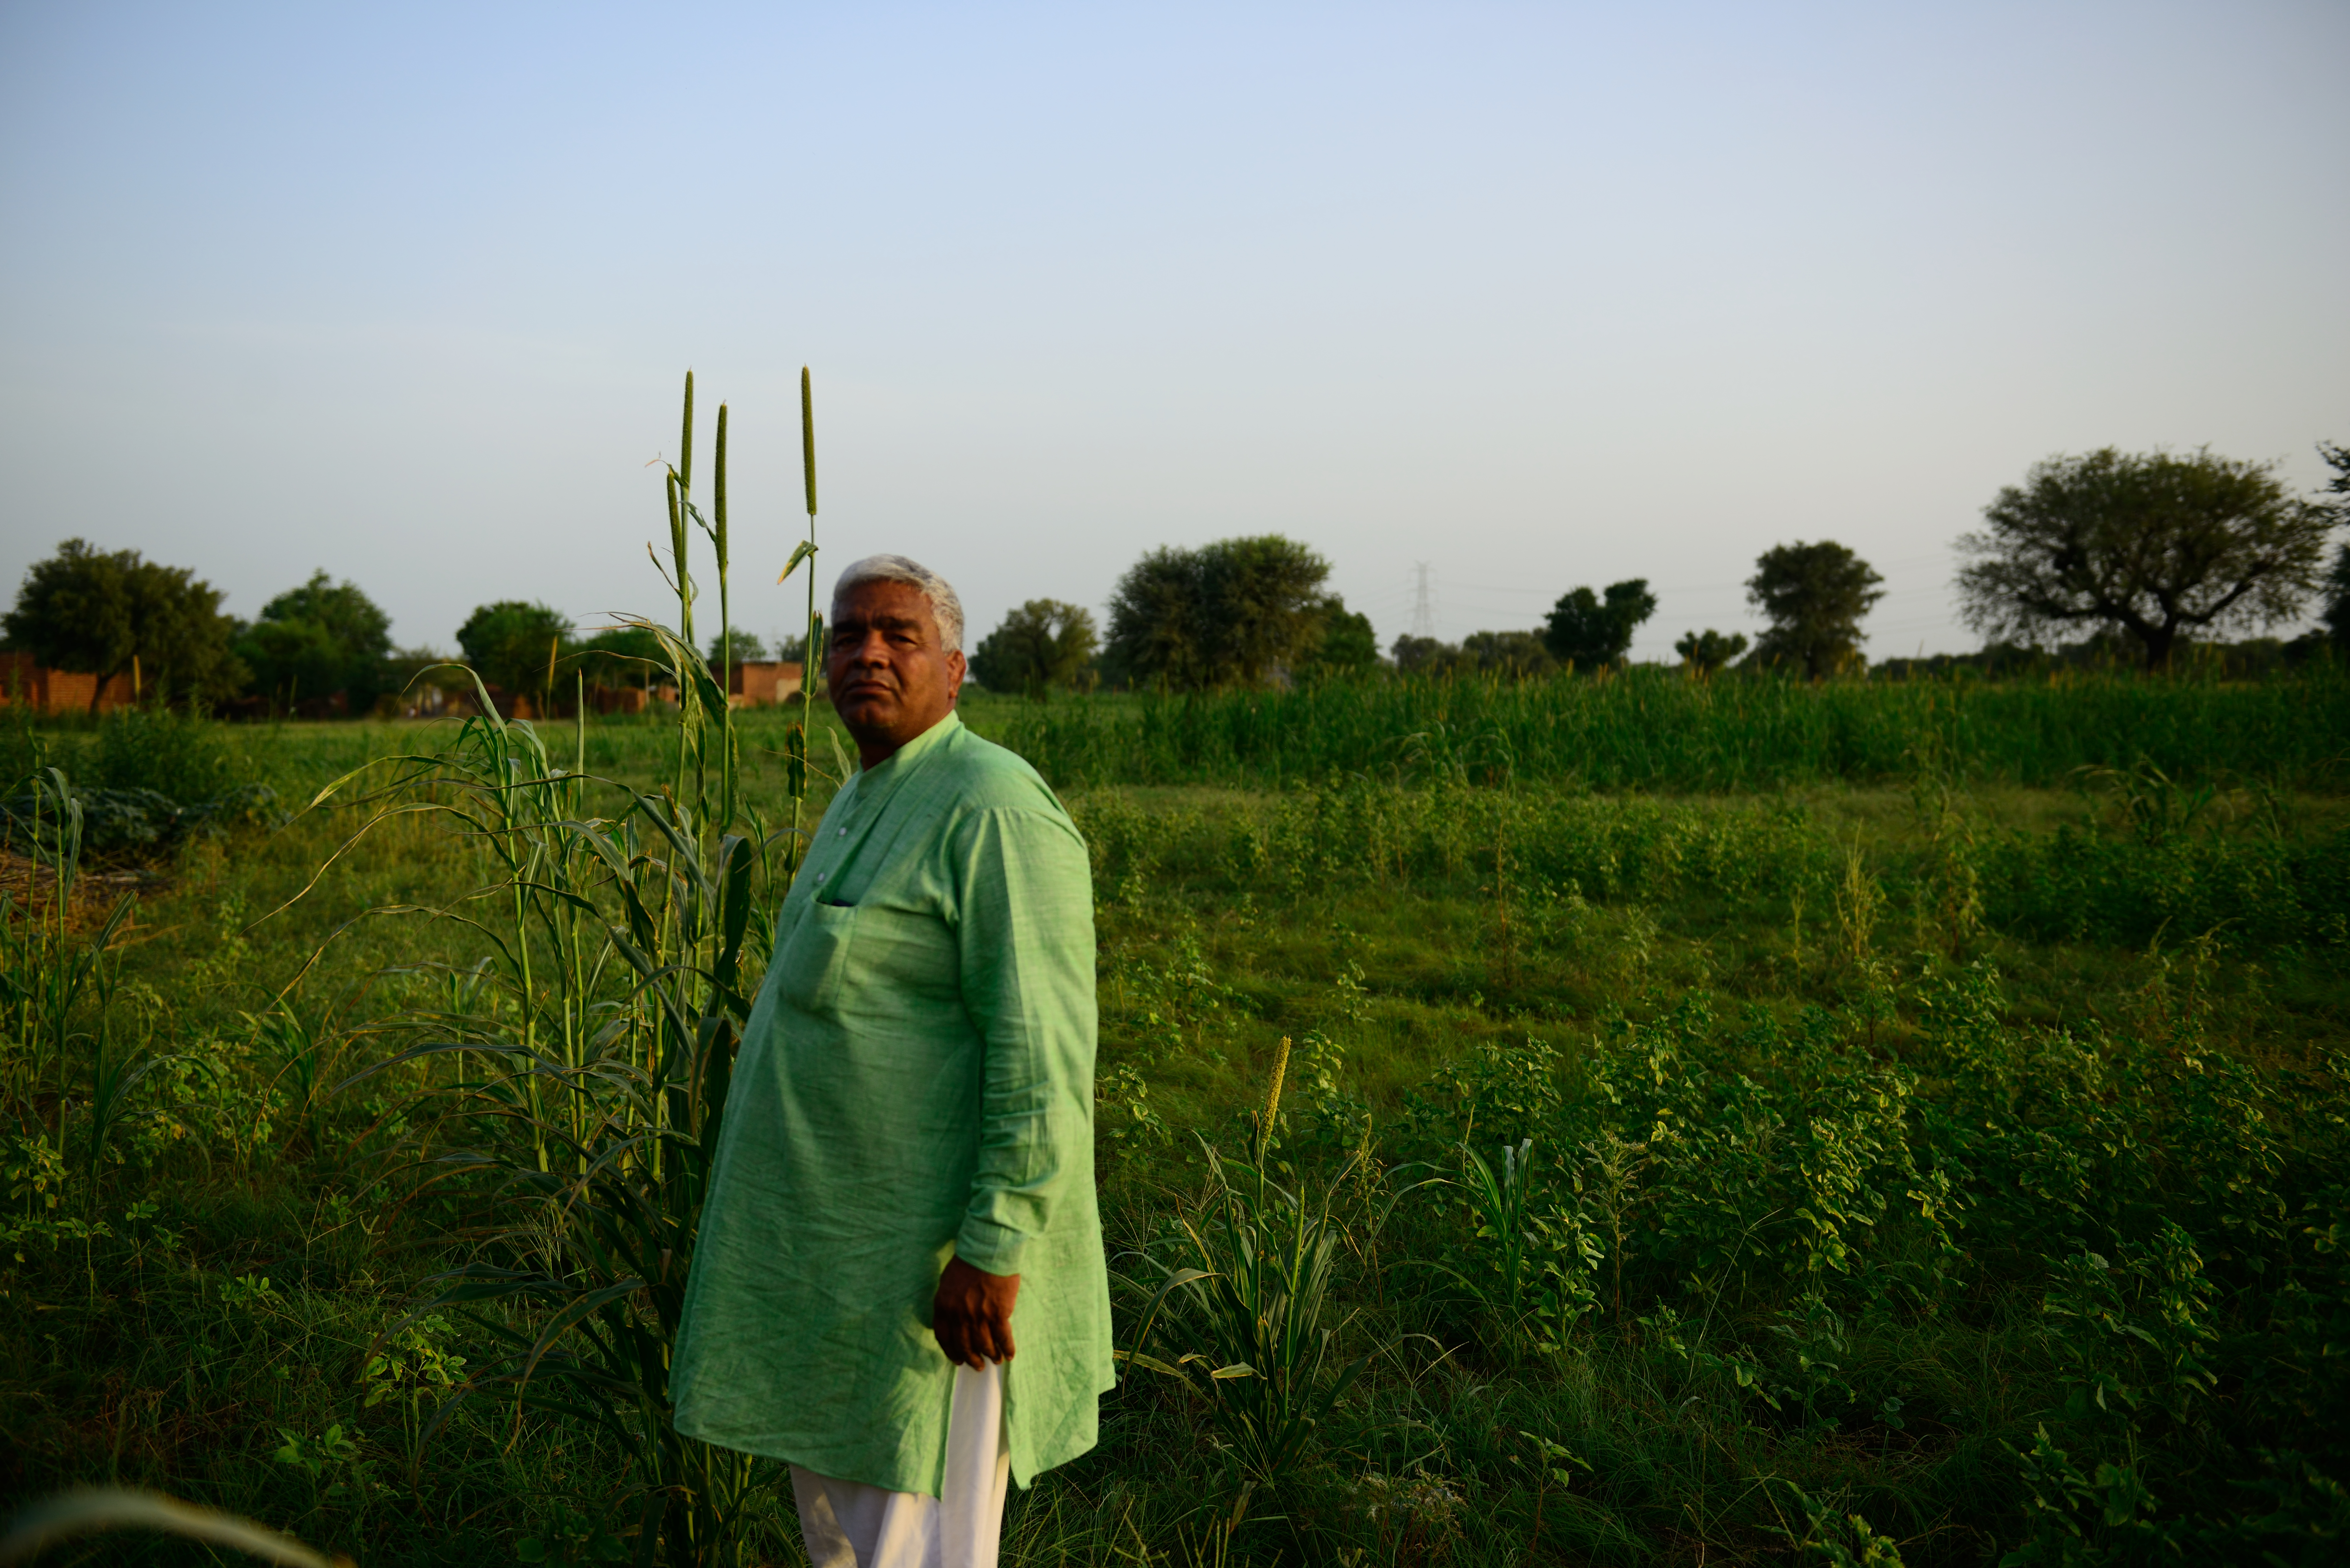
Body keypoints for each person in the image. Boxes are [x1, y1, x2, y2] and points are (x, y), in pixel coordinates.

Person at [671, 554, 1111, 1568]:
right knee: (850, 1545)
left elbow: (1043, 1049)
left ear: (954, 671)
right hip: (838, 1267)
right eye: (847, 633)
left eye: (898, 635)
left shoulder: (991, 805)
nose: (867, 651)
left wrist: (994, 1247)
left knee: (919, 1547)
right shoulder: (867, 795)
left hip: (933, 1282)